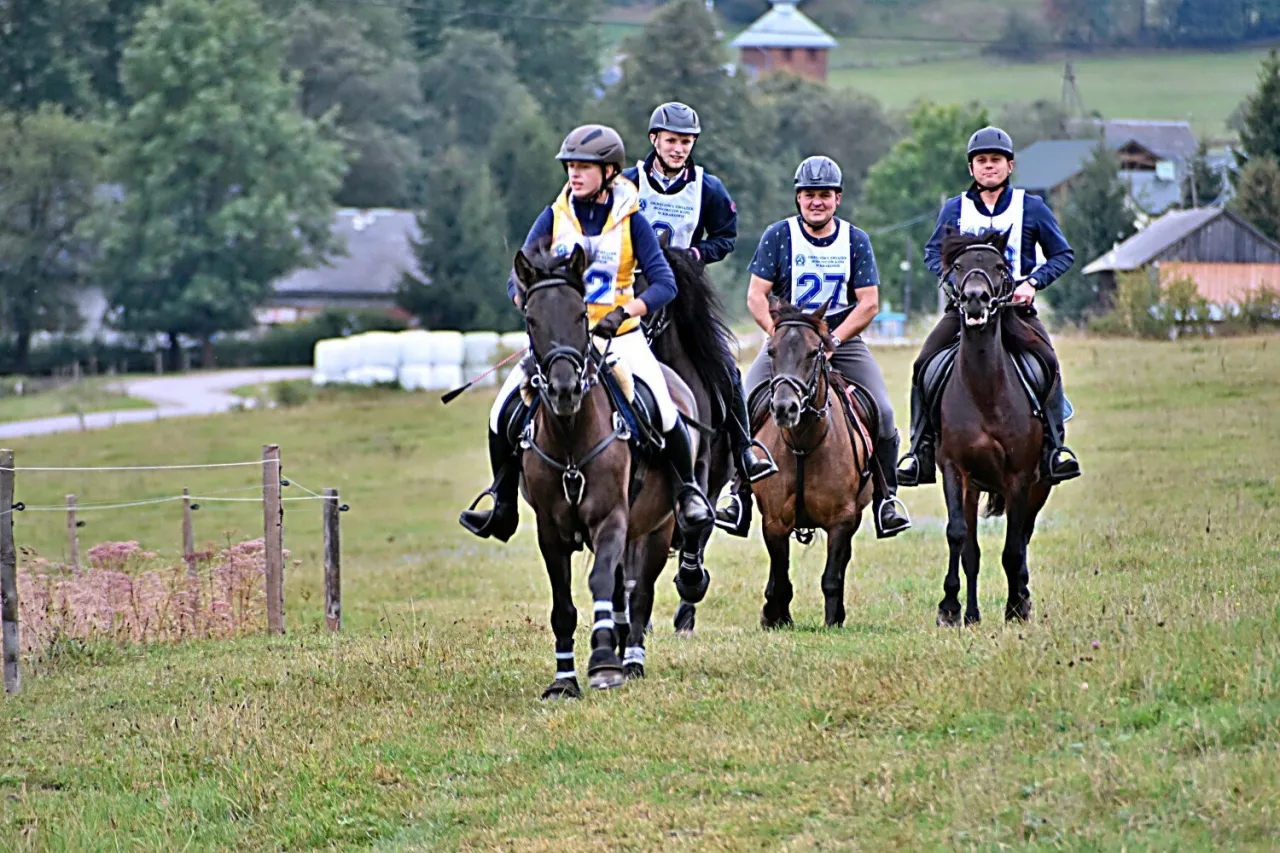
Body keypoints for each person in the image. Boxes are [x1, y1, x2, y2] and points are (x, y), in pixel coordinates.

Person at [459, 124, 713, 542]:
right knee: (500, 411)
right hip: (561, 339)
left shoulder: (632, 221)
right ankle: (503, 505)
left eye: (584, 167)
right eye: (570, 167)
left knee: (666, 411)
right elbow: (517, 275)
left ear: (610, 172)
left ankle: (687, 494)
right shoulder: (554, 216)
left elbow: (665, 283)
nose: (574, 175)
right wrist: (529, 301)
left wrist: (625, 311)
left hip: (620, 335)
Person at [717, 155, 912, 539]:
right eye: (808, 195)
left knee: (885, 412)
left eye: (824, 195)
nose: (816, 202)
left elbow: (869, 302)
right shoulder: (779, 235)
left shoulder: (855, 240)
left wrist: (833, 340)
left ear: (837, 199)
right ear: (798, 198)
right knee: (740, 401)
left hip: (841, 336)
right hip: (789, 338)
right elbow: (757, 295)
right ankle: (738, 494)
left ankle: (887, 499)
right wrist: (778, 334)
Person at [896, 126, 1081, 488]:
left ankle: (1055, 449)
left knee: (1048, 362)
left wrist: (1032, 283)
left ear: (1010, 165)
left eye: (996, 160)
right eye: (981, 161)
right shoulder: (955, 209)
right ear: (971, 169)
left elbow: (1063, 254)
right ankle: (919, 451)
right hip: (963, 313)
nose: (988, 167)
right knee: (923, 366)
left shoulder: (1032, 207)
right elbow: (933, 252)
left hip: (1014, 312)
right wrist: (954, 282)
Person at [621, 101, 775, 486]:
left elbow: (725, 238)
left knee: (723, 364)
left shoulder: (708, 187)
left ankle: (743, 451)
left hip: (684, 293)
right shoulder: (626, 183)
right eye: (672, 141)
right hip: (631, 290)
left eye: (686, 142)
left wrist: (695, 253)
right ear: (655, 139)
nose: (679, 149)